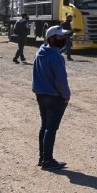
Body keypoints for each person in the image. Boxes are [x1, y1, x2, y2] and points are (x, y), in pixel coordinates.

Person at [32, 25, 72, 170]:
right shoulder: (56, 57)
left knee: (44, 126)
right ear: (52, 38)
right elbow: (61, 80)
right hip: (54, 97)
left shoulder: (39, 53)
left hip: (41, 95)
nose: (63, 38)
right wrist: (66, 96)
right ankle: (48, 160)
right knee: (51, 128)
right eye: (60, 36)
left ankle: (42, 158)